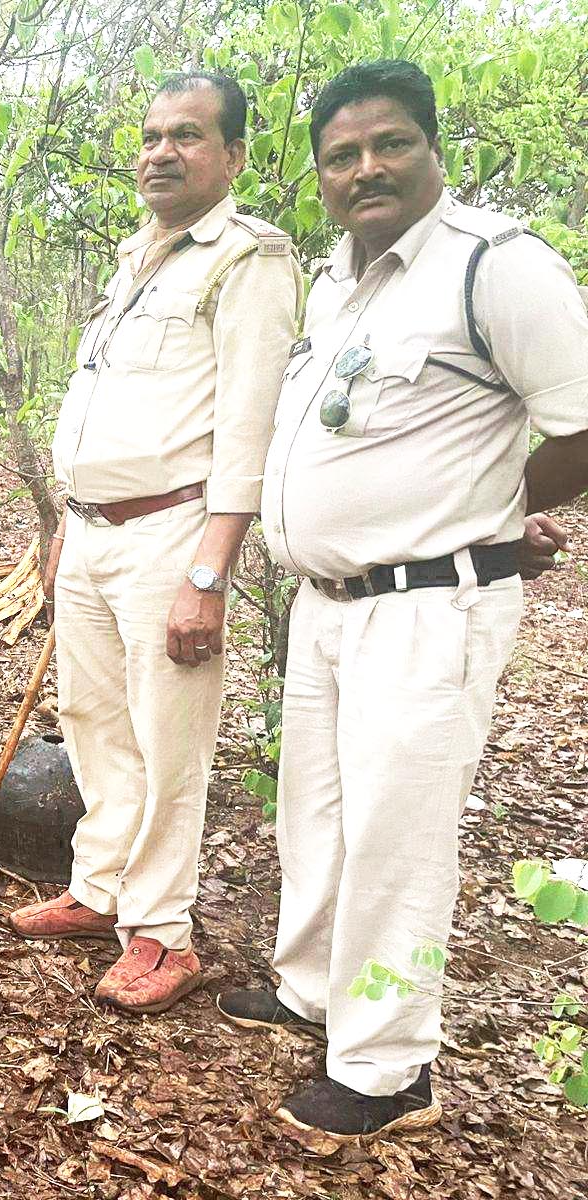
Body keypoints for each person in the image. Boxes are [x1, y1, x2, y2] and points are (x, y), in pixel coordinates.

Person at [216, 59, 588, 1142]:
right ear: (322, 173)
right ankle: (311, 991)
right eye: (341, 154)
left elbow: (580, 422)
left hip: (430, 604)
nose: (364, 168)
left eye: (389, 146)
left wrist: (490, 503)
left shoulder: (496, 268)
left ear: (434, 150)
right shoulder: (338, 283)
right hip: (328, 604)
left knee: (396, 829)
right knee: (317, 810)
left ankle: (387, 1071)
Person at [8, 74, 303, 1014]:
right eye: (150, 136)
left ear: (234, 156)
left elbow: (248, 426)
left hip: (176, 532)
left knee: (169, 738)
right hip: (94, 531)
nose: (161, 153)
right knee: (94, 721)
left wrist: (209, 572)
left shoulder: (247, 260)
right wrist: (63, 527)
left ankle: (163, 931)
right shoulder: (138, 256)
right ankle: (102, 890)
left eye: (187, 135)